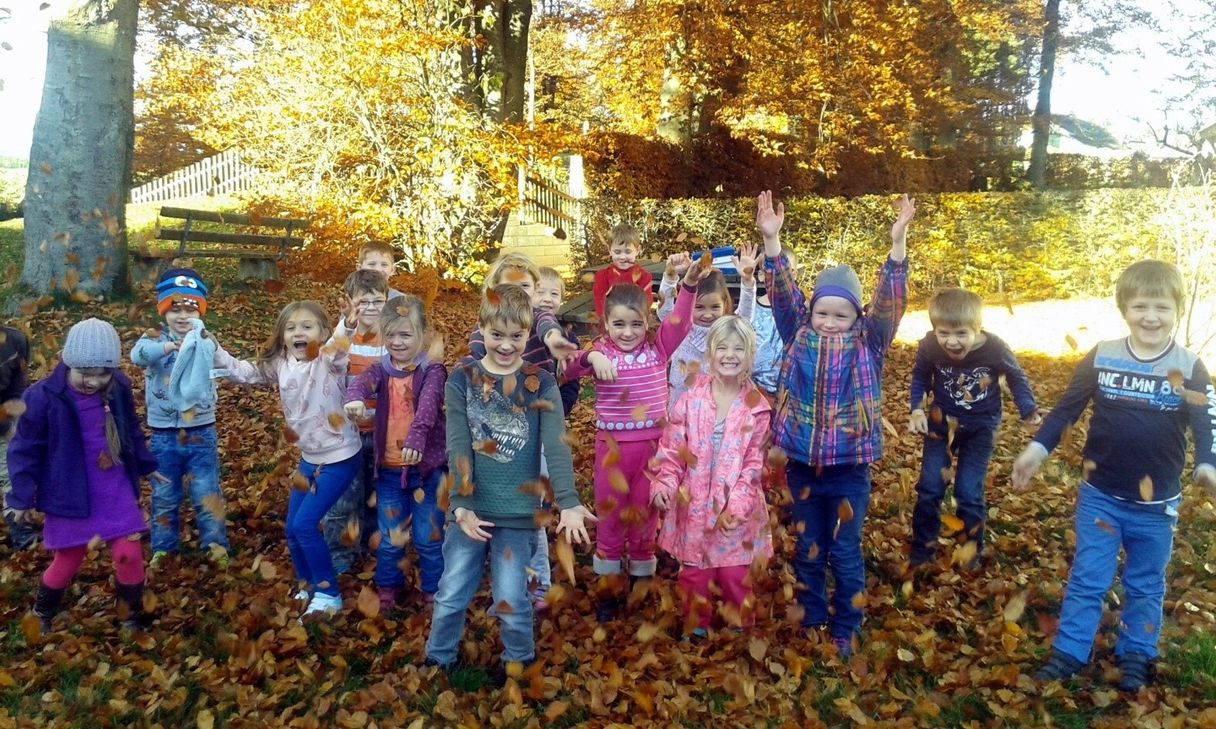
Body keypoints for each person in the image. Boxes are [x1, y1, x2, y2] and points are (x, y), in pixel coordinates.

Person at [1011, 260, 1216, 692]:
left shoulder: (1189, 365)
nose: (1150, 317)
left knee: (1145, 582)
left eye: (1161, 307)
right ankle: (1069, 651)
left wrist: (1207, 463)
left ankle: (1137, 653)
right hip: (1100, 496)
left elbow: (1205, 421)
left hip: (1156, 504)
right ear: (1125, 308)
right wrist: (1037, 449)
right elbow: (1067, 409)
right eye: (1140, 306)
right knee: (1089, 576)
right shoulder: (1103, 355)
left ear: (1177, 308)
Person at [757, 189, 915, 657]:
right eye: (822, 312)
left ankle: (847, 622)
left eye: (840, 314)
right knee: (809, 547)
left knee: (843, 551)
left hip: (848, 470)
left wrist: (897, 245)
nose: (829, 321)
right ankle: (813, 618)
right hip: (804, 467)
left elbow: (891, 302)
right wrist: (772, 243)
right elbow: (784, 291)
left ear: (857, 317)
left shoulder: (870, 342)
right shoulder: (797, 333)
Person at [424, 285, 595, 680]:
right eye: (496, 334)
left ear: (528, 335)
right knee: (451, 594)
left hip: (519, 514)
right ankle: (439, 657)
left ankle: (519, 662)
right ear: (481, 328)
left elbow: (555, 443)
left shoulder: (540, 383)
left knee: (511, 598)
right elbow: (459, 445)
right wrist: (461, 504)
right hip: (470, 512)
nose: (505, 345)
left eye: (516, 336)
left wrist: (567, 501)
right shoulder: (462, 380)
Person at [562, 261, 707, 622]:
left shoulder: (657, 350)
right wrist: (590, 355)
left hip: (652, 450)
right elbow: (566, 369)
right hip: (611, 452)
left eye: (636, 324)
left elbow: (680, 322)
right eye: (619, 324)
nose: (628, 332)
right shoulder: (602, 353)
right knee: (611, 517)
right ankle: (609, 592)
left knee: (645, 516)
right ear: (606, 324)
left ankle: (641, 586)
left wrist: (688, 285)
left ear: (647, 323)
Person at [7, 319, 161, 630]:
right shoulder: (42, 397)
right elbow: (25, 450)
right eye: (85, 374)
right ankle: (42, 612)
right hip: (69, 491)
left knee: (128, 553)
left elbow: (129, 430)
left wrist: (146, 465)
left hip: (113, 487)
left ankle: (129, 616)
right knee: (68, 558)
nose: (93, 382)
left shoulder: (117, 388)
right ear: (67, 361)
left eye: (102, 374)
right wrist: (20, 497)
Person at [216, 301, 362, 617]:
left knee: (306, 525)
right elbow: (248, 373)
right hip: (310, 458)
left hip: (339, 458)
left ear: (322, 333)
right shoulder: (282, 363)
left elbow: (338, 347)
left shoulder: (327, 361)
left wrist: (346, 325)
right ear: (283, 335)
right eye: (291, 327)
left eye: (307, 326)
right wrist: (217, 352)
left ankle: (329, 594)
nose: (298, 332)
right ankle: (307, 585)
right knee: (292, 529)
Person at [651, 315, 772, 637]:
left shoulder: (756, 406)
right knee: (694, 573)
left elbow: (753, 465)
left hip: (736, 507)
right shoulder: (693, 396)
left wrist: (738, 507)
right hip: (694, 504)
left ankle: (739, 626)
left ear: (749, 355)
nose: (730, 355)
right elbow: (674, 448)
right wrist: (664, 483)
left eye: (739, 348)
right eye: (722, 347)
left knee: (734, 573)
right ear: (710, 352)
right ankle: (696, 625)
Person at [907, 287, 1040, 570]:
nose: (952, 342)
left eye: (961, 334)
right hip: (940, 426)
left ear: (977, 329)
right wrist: (917, 407)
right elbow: (921, 376)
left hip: (981, 427)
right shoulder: (930, 346)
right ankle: (922, 550)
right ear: (934, 329)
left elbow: (1016, 377)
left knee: (968, 491)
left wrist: (1028, 408)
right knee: (930, 487)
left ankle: (970, 551)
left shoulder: (994, 348)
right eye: (944, 333)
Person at [344, 295, 447, 611]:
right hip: (389, 470)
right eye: (391, 335)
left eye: (406, 335)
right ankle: (388, 587)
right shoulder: (382, 369)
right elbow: (361, 383)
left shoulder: (432, 371)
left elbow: (428, 410)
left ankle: (435, 589)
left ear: (422, 335)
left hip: (426, 470)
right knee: (390, 538)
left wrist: (416, 440)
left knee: (428, 537)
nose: (397, 342)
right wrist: (355, 398)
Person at [130, 268, 229, 567]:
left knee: (206, 491)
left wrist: (208, 346)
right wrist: (170, 347)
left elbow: (223, 364)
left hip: (201, 431)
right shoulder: (154, 340)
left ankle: (215, 544)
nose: (183, 316)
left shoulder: (204, 339)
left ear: (200, 311)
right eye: (175, 309)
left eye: (190, 308)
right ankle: (163, 547)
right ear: (163, 311)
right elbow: (138, 356)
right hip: (164, 434)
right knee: (165, 493)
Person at [328, 269, 391, 574]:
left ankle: (373, 546)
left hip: (382, 431)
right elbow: (328, 358)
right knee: (345, 497)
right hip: (348, 434)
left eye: (378, 301)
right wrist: (347, 326)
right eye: (363, 301)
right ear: (349, 302)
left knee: (376, 493)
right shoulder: (343, 335)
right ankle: (341, 555)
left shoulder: (391, 337)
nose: (370, 308)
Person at [526, 266, 578, 610]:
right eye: (539, 291)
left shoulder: (555, 331)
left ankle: (539, 584)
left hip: (542, 431)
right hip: (512, 429)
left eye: (553, 294)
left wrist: (558, 409)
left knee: (536, 513)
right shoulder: (522, 328)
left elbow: (571, 384)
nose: (545, 300)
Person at [658, 245, 759, 408]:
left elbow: (745, 319)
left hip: (713, 411)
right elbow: (665, 312)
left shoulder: (725, 329)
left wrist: (748, 282)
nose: (707, 314)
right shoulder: (682, 330)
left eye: (714, 307)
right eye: (699, 307)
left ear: (725, 304)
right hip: (679, 410)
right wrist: (670, 278)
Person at [0, 324, 34, 550]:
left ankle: (19, 529)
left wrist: (12, 421)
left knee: (10, 473)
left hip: (4, 420)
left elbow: (18, 387)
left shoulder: (14, 340)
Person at [750, 248, 794, 400]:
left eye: (788, 273)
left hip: (786, 394)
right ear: (762, 275)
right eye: (776, 273)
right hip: (752, 389)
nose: (782, 279)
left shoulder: (799, 312)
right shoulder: (751, 309)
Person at [592, 223, 653, 319]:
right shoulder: (602, 276)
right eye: (617, 252)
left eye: (628, 252)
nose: (622, 257)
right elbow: (600, 306)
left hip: (635, 324)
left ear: (637, 250)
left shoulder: (644, 277)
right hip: (610, 326)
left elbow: (646, 304)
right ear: (610, 250)